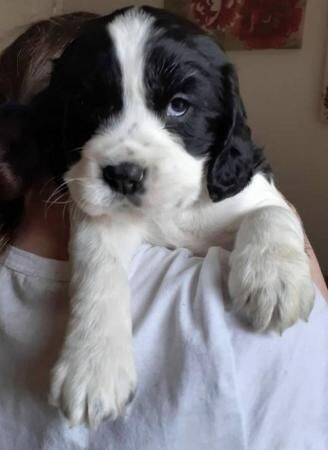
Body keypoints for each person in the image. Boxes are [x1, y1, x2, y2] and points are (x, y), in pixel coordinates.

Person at [0, 13, 327, 450]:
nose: (127, 151)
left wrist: (276, 229)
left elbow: (262, 205)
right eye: (93, 109)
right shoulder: (206, 316)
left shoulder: (229, 186)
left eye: (178, 106)